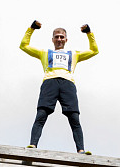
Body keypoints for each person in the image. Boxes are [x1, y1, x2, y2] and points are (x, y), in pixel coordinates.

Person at [20, 20, 98, 154]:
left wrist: (89, 33)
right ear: (52, 39)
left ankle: (81, 150)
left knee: (74, 117)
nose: (59, 39)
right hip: (49, 82)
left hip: (68, 84)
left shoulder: (74, 54)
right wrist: (31, 29)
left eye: (62, 37)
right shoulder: (44, 52)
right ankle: (32, 145)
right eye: (56, 37)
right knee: (41, 114)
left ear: (66, 39)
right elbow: (24, 46)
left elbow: (94, 50)